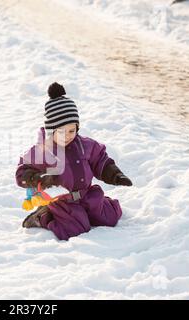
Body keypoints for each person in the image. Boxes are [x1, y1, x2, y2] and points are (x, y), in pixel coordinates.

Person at [15, 82, 133, 241]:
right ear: (52, 130)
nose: (68, 135)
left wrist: (115, 175)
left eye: (72, 130)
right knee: (76, 229)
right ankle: (44, 215)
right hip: (63, 201)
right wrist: (36, 179)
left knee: (109, 218)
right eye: (62, 131)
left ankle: (96, 208)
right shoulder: (44, 150)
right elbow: (22, 170)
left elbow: (100, 160)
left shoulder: (85, 145)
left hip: (87, 194)